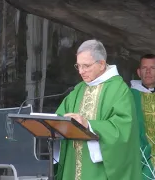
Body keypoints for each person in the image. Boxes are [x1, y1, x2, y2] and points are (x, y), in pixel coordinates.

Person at [54, 39, 142, 180]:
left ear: (101, 64)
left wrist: (89, 125)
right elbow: (59, 117)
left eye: (86, 66)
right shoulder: (78, 89)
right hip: (73, 163)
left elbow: (123, 130)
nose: (81, 72)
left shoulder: (119, 90)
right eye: (78, 66)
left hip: (98, 170)